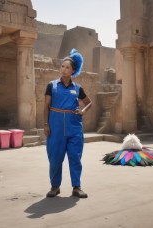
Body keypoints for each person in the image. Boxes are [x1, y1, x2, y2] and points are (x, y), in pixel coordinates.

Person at [43, 49, 92, 198]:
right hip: (55, 127)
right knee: (55, 158)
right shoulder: (52, 86)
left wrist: (83, 111)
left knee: (75, 157)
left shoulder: (78, 88)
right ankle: (55, 186)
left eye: (67, 67)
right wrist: (45, 124)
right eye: (62, 66)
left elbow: (89, 103)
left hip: (75, 127)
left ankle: (77, 187)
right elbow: (45, 107)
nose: (64, 69)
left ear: (73, 71)